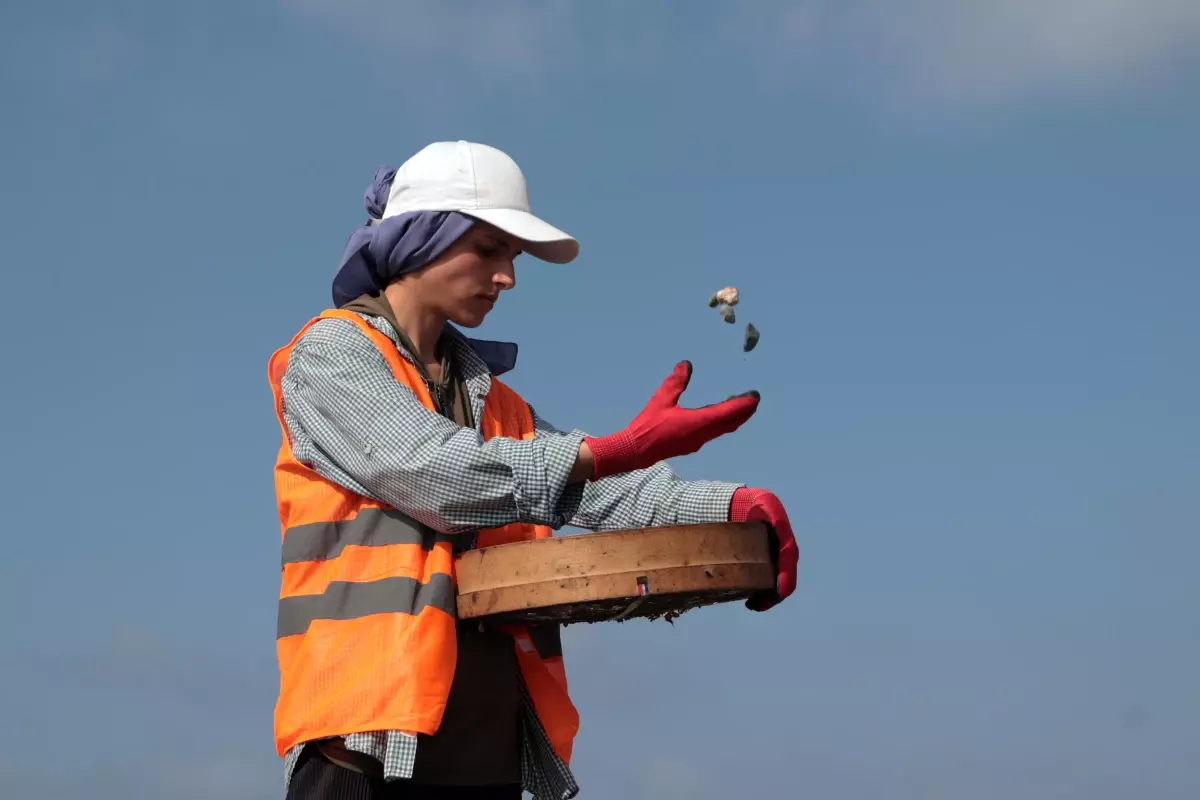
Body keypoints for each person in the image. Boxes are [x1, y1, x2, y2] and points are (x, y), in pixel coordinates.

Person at [265, 140, 799, 800]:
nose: (507, 277)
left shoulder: (495, 400)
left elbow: (597, 491)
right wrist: (607, 450)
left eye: (512, 257)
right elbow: (431, 471)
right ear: (419, 238)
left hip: (485, 754)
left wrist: (729, 509)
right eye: (488, 249)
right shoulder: (330, 357)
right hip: (365, 750)